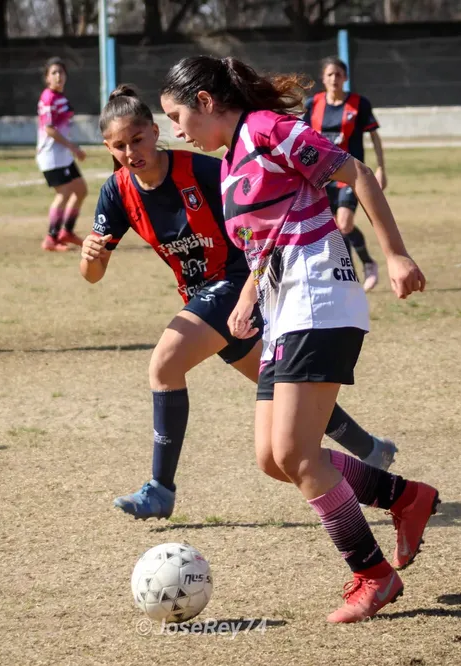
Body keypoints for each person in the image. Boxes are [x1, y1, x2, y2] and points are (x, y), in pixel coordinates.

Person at [160, 56, 440, 623]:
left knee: (295, 452)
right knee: (273, 458)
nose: (176, 129)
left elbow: (354, 173)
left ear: (207, 101)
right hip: (285, 309)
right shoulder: (236, 156)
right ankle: (406, 498)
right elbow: (267, 243)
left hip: (320, 299)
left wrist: (394, 255)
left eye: (176, 114)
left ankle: (372, 575)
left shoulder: (266, 130)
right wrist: (245, 301)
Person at [81, 85, 398, 521]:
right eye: (119, 146)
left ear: (155, 133)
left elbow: (261, 214)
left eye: (137, 140)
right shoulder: (117, 193)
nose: (131, 152)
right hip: (206, 300)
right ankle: (369, 448)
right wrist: (90, 260)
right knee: (285, 393)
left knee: (164, 365)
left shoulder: (203, 170)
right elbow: (93, 276)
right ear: (108, 148)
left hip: (238, 282)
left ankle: (160, 488)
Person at [303, 56, 386, 292]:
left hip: (351, 175)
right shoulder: (313, 104)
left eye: (338, 74)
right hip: (321, 175)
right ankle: (349, 275)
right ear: (323, 78)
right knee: (335, 227)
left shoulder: (359, 104)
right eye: (329, 74)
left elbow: (374, 136)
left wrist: (380, 168)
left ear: (345, 78)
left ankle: (368, 264)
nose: (334, 79)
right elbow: (303, 139)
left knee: (344, 222)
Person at [37, 57, 87, 251]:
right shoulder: (48, 98)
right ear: (47, 78)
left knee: (80, 190)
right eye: (54, 73)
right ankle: (51, 238)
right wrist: (73, 147)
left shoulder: (60, 97)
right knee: (64, 194)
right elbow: (48, 129)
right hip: (52, 156)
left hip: (62, 155)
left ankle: (66, 231)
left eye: (61, 72)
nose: (59, 76)